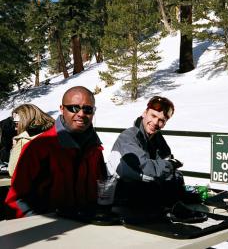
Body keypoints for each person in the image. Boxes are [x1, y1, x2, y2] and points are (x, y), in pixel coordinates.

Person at [5, 86, 107, 219]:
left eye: (88, 109)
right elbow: (16, 199)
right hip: (50, 230)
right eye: (73, 108)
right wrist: (39, 226)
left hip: (87, 226)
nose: (81, 114)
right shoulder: (39, 147)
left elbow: (101, 188)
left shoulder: (95, 149)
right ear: (62, 109)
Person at [107, 96, 185, 212]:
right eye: (153, 116)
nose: (155, 122)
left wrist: (173, 174)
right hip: (120, 198)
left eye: (161, 120)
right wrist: (170, 165)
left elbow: (168, 167)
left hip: (144, 196)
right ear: (145, 113)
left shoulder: (157, 140)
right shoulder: (128, 137)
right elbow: (145, 168)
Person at [8, 104, 55, 177]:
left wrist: (15, 147)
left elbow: (13, 172)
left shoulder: (24, 140)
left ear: (24, 121)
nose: (15, 128)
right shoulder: (57, 132)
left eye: (16, 124)